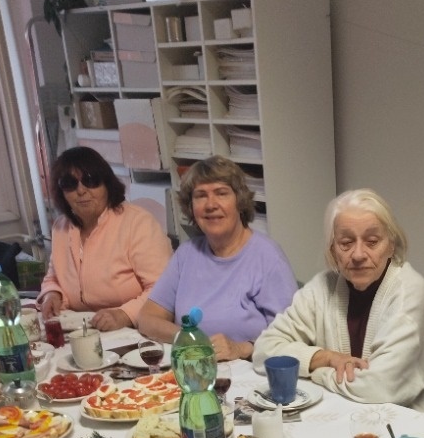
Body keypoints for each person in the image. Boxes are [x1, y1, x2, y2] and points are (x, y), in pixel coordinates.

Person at [252, 189, 424, 417]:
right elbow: (263, 351)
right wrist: (326, 357)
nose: (358, 254)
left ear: (391, 245)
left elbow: (378, 387)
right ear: (333, 250)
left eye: (372, 242)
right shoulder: (321, 287)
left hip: (417, 424)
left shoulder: (410, 291)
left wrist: (316, 373)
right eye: (346, 242)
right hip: (349, 412)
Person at [138, 156, 296, 362]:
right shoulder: (186, 254)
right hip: (195, 368)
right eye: (200, 196)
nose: (211, 205)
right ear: (190, 206)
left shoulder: (268, 257)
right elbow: (147, 319)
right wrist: (190, 338)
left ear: (239, 201)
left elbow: (292, 337)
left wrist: (242, 348)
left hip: (249, 371)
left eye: (221, 193)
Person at [37, 146, 173, 331]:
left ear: (107, 184)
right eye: (69, 184)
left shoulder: (138, 223)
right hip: (81, 328)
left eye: (91, 181)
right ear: (61, 191)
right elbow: (54, 276)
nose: (81, 190)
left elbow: (164, 290)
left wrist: (124, 314)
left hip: (135, 329)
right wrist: (52, 294)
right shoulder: (61, 227)